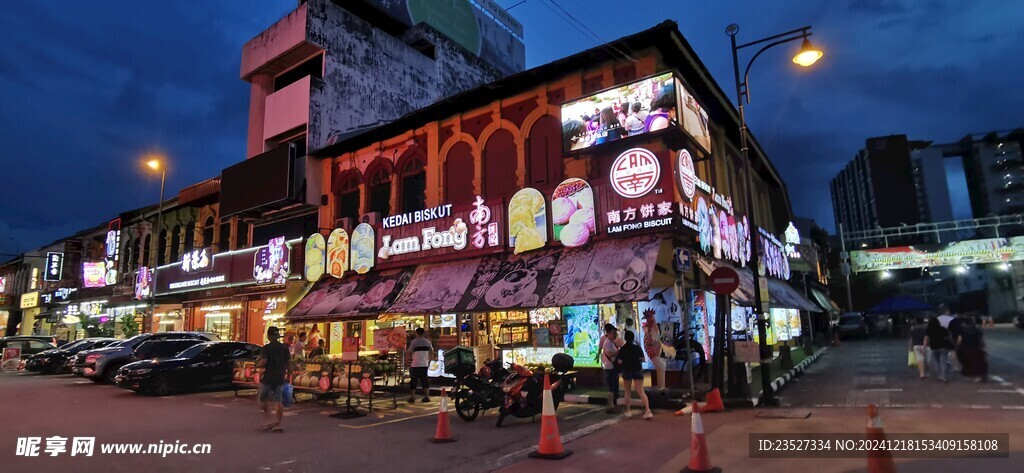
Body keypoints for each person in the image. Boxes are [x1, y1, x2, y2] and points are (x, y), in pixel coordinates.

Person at [257, 326, 290, 433]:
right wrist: (288, 374)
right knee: (278, 400)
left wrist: (257, 366)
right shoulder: (285, 348)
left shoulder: (267, 348)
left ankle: (269, 419)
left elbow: (264, 362)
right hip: (280, 376)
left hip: (268, 377)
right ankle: (278, 424)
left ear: (269, 335)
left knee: (262, 398)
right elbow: (289, 363)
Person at [616, 330, 653, 419]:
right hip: (637, 370)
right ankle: (648, 410)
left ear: (625, 338)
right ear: (633, 338)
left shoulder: (623, 349)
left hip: (627, 370)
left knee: (627, 391)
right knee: (640, 391)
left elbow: (619, 361)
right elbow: (643, 359)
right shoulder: (638, 348)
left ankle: (628, 411)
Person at [597, 323, 624, 413]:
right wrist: (618, 352)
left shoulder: (611, 342)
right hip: (610, 367)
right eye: (613, 333)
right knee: (611, 387)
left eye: (615, 333)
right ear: (608, 333)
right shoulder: (607, 343)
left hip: (611, 367)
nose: (615, 335)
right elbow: (609, 354)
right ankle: (610, 406)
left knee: (613, 387)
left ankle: (612, 405)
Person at [924, 316, 953, 382]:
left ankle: (939, 375)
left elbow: (926, 338)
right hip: (943, 346)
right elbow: (948, 337)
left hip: (934, 347)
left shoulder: (929, 329)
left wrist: (925, 345)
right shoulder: (943, 328)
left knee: (937, 362)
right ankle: (944, 377)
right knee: (943, 362)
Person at [407, 327, 433, 403]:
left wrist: (406, 360)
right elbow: (432, 351)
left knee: (414, 380)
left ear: (417, 333)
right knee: (424, 380)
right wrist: (429, 360)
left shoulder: (414, 342)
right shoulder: (427, 342)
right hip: (424, 363)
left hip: (415, 364)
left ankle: (412, 397)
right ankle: (426, 396)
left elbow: (409, 352)